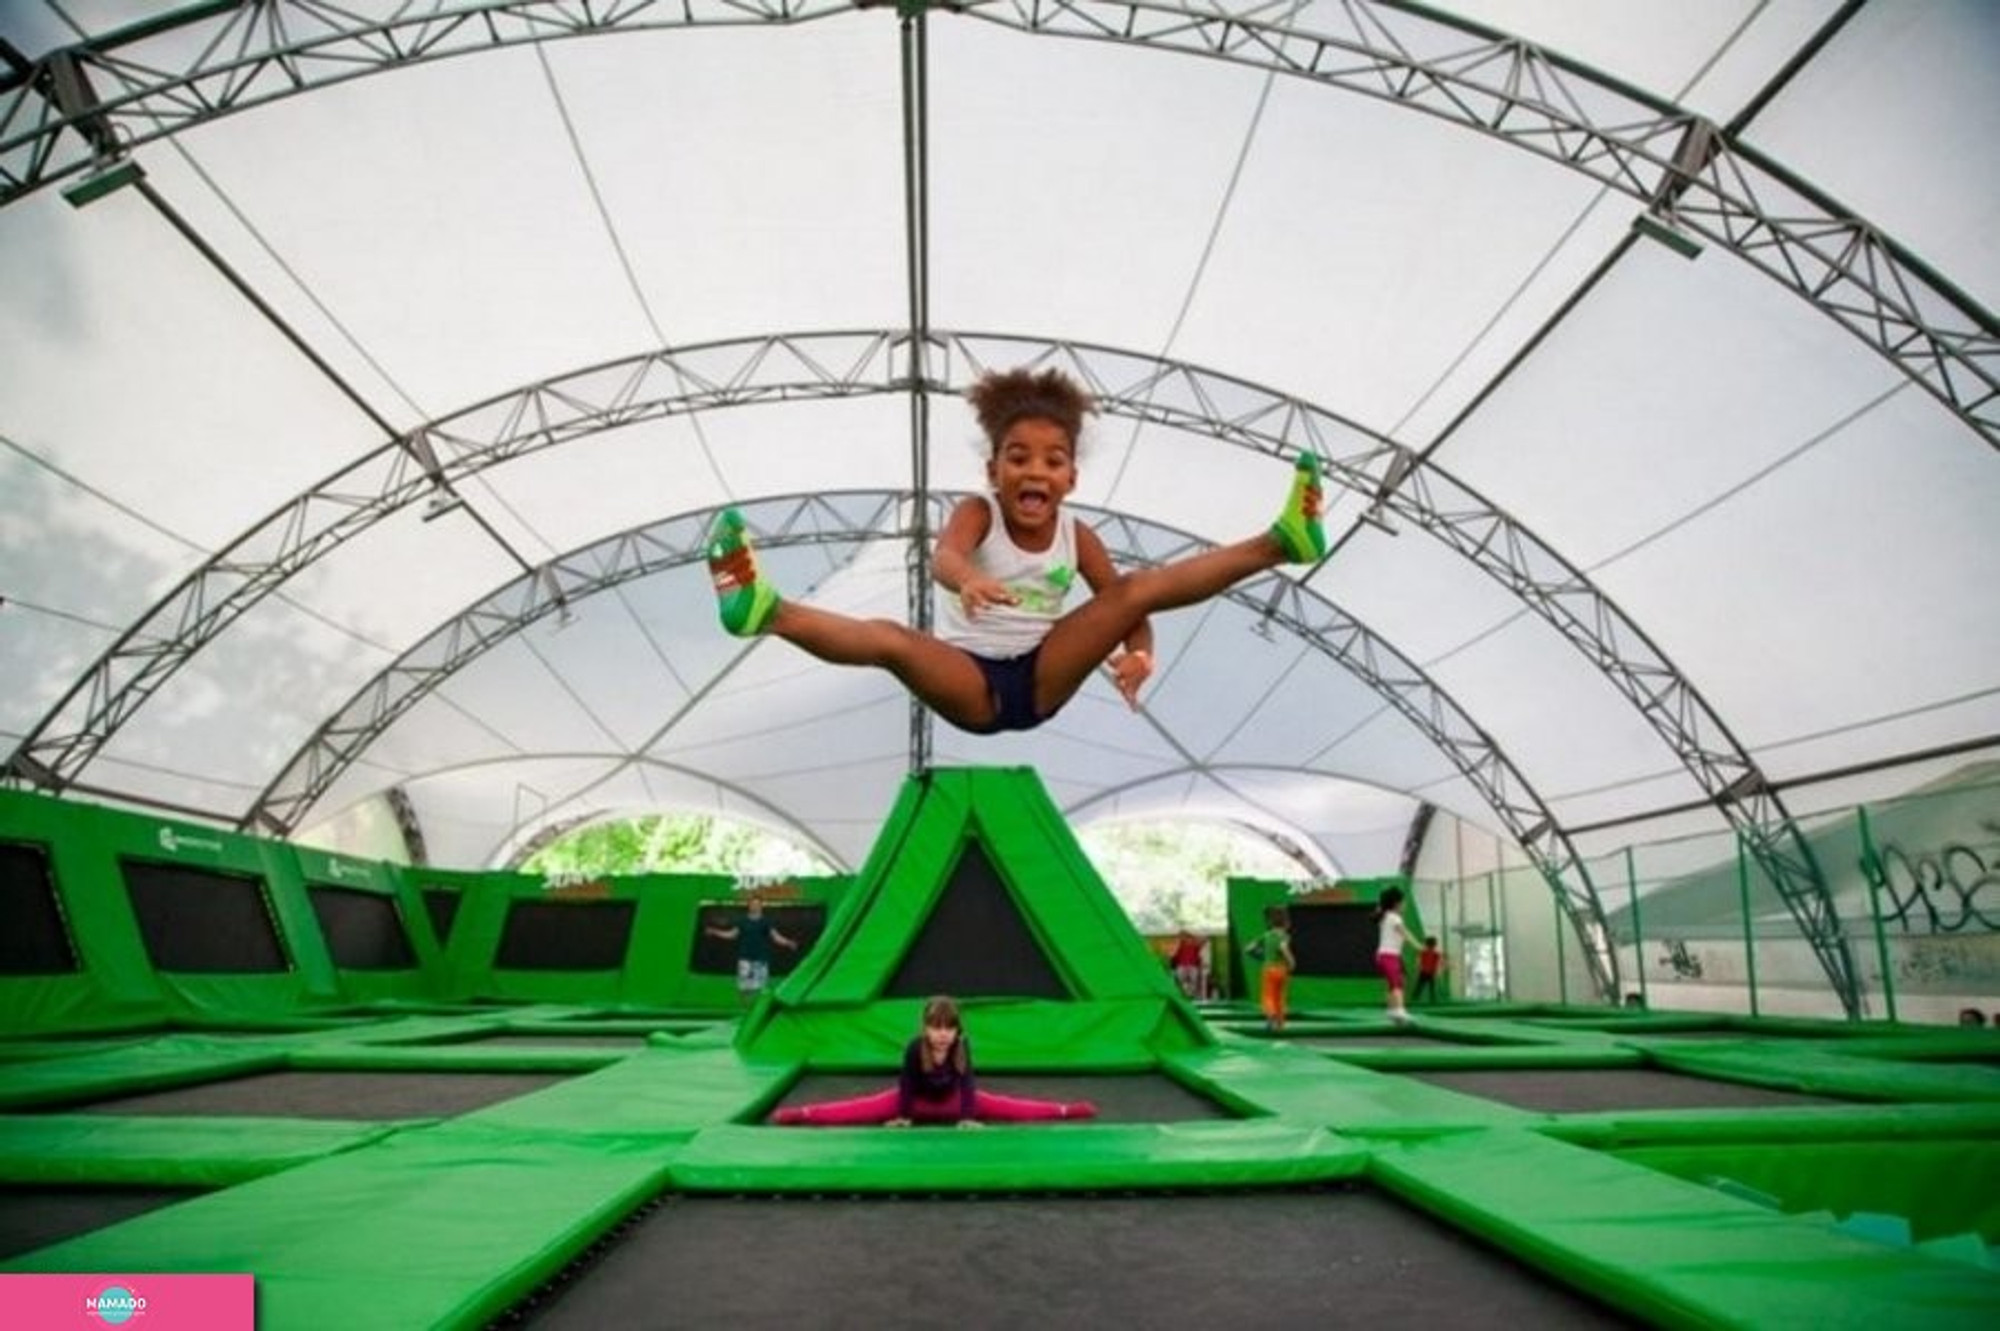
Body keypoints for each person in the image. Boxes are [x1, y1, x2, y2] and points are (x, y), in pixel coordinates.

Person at [705, 366, 1326, 734]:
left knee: (1132, 587)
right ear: (995, 472)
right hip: (972, 678)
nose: (1036, 471)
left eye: (1053, 462)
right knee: (893, 640)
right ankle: (768, 611)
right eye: (1019, 458)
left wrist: (1141, 653)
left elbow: (1127, 606)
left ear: (1071, 480)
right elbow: (945, 558)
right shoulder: (979, 513)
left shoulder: (1077, 535)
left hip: (1043, 675)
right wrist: (967, 582)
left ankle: (1280, 542)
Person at [769, 995, 1098, 1126]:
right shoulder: (915, 1048)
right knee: (862, 1107)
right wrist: (904, 1115)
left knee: (1003, 1105)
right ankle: (804, 1113)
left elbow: (968, 1083)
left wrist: (968, 1116)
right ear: (925, 1028)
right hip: (915, 1103)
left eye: (948, 1028)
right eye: (935, 1027)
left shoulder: (961, 1047)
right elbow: (907, 1083)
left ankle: (1064, 1110)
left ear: (957, 1030)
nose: (941, 1034)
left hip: (952, 1104)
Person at [704, 896, 798, 1009]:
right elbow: (731, 934)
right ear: (749, 906)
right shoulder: (742, 921)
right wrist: (715, 932)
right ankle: (746, 1011)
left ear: (761, 906)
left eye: (757, 904)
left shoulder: (766, 922)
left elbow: (776, 937)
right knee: (744, 988)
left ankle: (756, 1012)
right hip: (745, 958)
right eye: (753, 904)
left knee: (761, 988)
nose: (755, 906)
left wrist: (788, 942)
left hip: (761, 959)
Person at [1247, 906, 1295, 1033]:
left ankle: (1271, 1016)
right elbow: (1283, 948)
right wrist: (1291, 962)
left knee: (1268, 995)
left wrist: (1261, 957)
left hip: (1269, 968)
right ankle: (1280, 1023)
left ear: (1271, 923)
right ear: (1286, 923)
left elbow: (1249, 948)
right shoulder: (1284, 935)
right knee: (1280, 996)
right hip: (1281, 969)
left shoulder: (1266, 935)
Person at [1374, 887, 1419, 1023]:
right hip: (1389, 956)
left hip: (1383, 956)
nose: (1405, 905)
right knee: (1396, 984)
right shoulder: (1394, 917)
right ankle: (1400, 1010)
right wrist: (1418, 945)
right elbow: (1405, 932)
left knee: (1393, 983)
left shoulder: (1385, 916)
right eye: (1403, 902)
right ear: (1396, 903)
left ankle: (1391, 1010)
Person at [1170, 929, 1206, 1000]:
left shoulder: (1195, 945)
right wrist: (1180, 938)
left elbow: (1204, 940)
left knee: (1193, 982)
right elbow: (1172, 953)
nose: (1187, 939)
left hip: (1192, 966)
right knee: (1180, 981)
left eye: (1187, 937)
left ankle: (1192, 994)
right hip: (1182, 965)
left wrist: (1194, 937)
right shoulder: (1180, 944)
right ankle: (1182, 994)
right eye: (1185, 937)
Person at [1412, 934, 1444, 1004]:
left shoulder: (1434, 953)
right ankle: (1430, 999)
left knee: (1424, 986)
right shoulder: (1426, 952)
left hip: (1428, 972)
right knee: (1423, 986)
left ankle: (1418, 998)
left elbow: (1438, 962)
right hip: (1428, 972)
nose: (1431, 947)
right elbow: (1419, 961)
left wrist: (1438, 970)